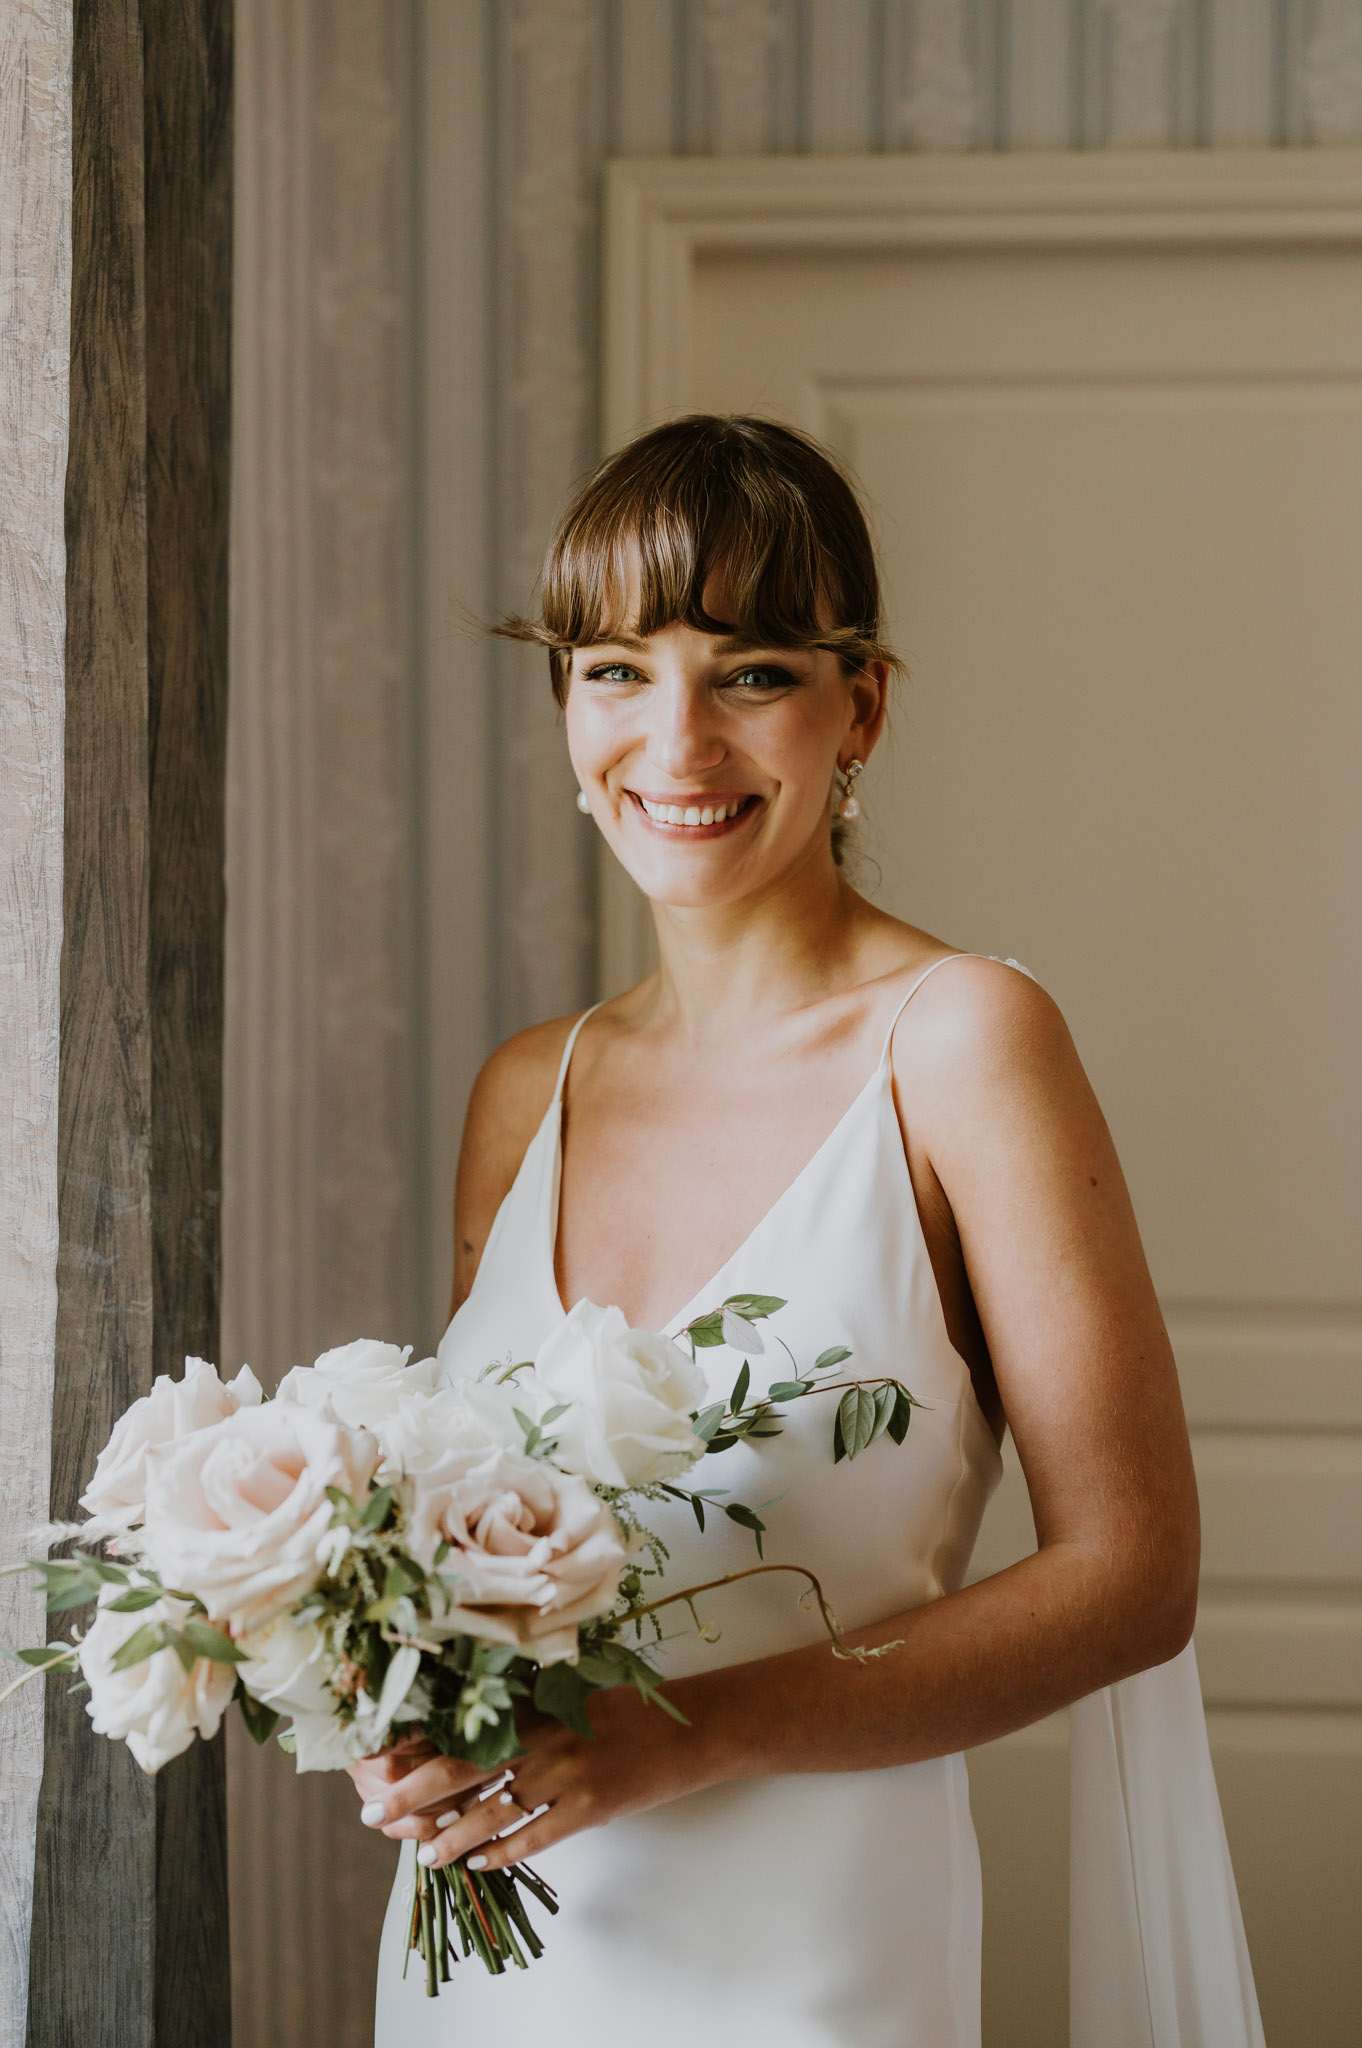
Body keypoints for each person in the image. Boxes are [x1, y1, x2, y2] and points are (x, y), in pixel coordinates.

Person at [361, 415, 1265, 2045]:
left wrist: (683, 1736)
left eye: (753, 671)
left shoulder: (961, 1039)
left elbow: (1132, 1575)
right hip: (495, 1948)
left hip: (813, 1959)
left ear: (861, 707)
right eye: (617, 670)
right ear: (566, 712)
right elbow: (478, 1545)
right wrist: (395, 1681)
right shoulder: (527, 1090)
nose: (678, 741)